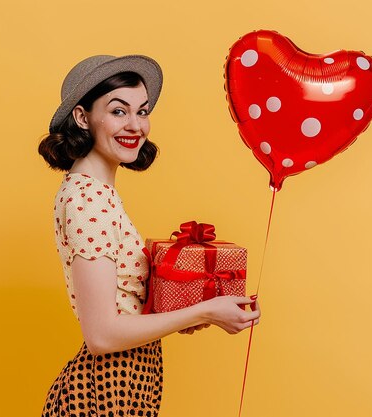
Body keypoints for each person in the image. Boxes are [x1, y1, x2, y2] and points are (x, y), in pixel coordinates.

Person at [38, 54, 260, 417]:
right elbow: (102, 335)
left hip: (128, 385)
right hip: (104, 392)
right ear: (82, 117)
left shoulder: (97, 191)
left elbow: (124, 309)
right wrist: (201, 310)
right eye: (118, 111)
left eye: (142, 111)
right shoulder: (88, 200)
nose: (135, 125)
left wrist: (206, 307)